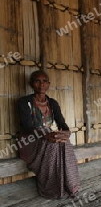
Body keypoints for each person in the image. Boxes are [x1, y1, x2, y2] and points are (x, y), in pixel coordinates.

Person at [17, 70, 80, 199]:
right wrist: (46, 135)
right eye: (37, 81)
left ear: (49, 84)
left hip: (47, 138)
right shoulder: (24, 102)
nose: (41, 84)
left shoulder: (53, 103)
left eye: (44, 81)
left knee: (64, 142)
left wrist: (65, 133)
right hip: (28, 141)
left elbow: (62, 123)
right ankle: (51, 189)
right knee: (50, 139)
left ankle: (70, 185)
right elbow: (28, 127)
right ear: (31, 84)